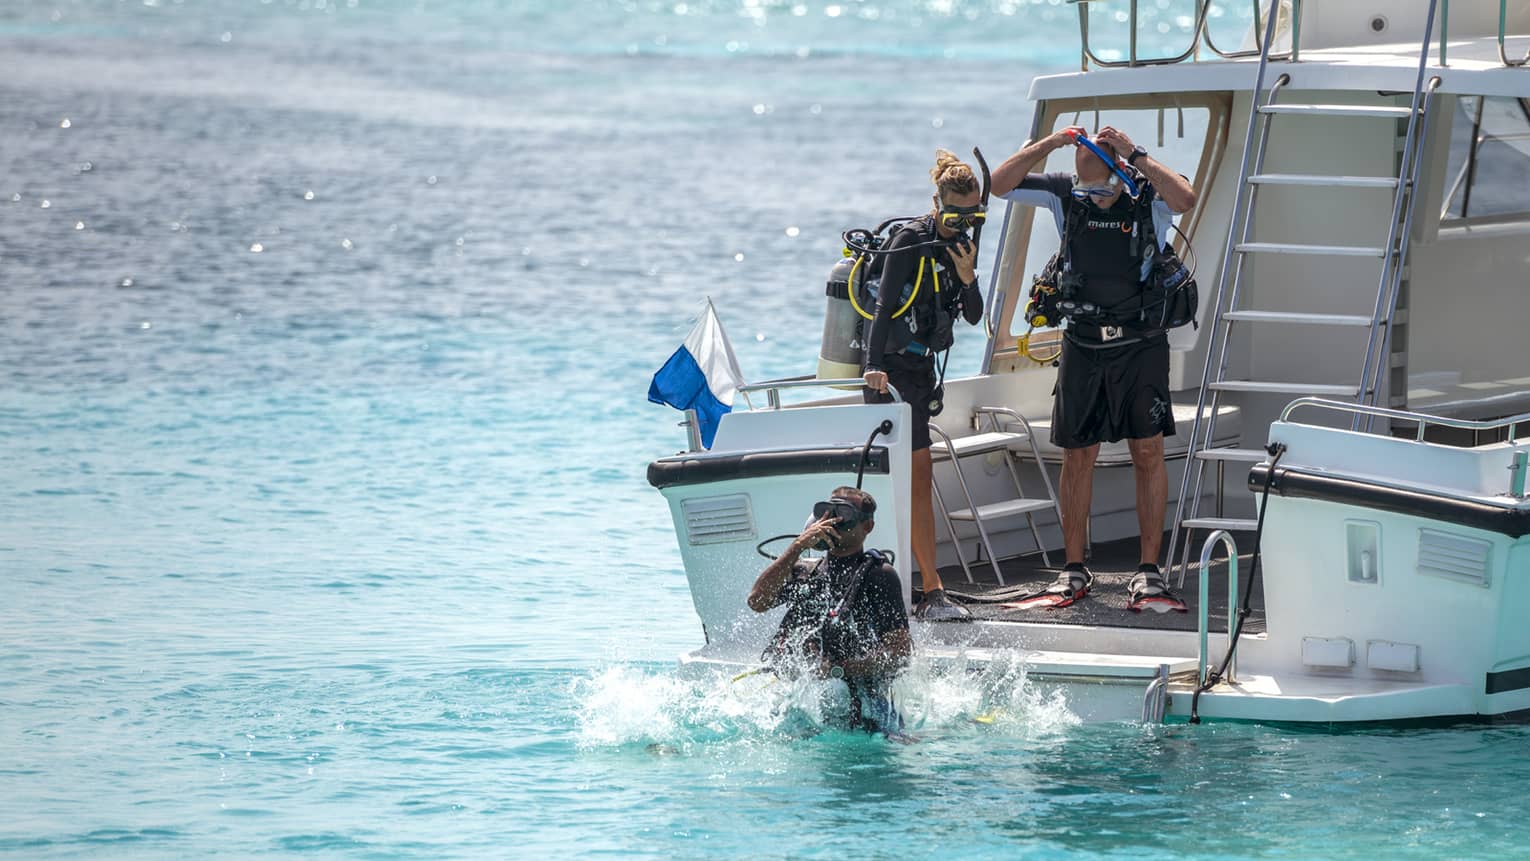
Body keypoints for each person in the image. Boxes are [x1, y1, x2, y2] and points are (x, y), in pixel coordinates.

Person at [990, 125, 1198, 613]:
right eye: (1083, 179)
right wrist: (1048, 145)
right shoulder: (1066, 194)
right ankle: (1073, 569)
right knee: (1077, 454)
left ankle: (1148, 572)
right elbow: (998, 185)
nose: (1091, 192)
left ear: (1118, 171)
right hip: (1082, 345)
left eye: (1099, 181)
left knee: (1147, 452)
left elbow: (1185, 197)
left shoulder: (1149, 196)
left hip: (1140, 346)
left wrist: (1136, 155)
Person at [861, 150, 986, 621]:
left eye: (972, 215)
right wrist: (873, 367)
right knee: (905, 480)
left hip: (921, 373)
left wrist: (968, 275)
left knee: (919, 477)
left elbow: (974, 315)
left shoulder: (961, 246)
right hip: (889, 375)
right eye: (955, 214)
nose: (963, 223)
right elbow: (882, 308)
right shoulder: (909, 241)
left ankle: (927, 588)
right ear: (937, 201)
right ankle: (920, 587)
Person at [747, 487, 911, 734]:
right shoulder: (804, 571)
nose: (832, 523)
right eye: (827, 513)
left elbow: (899, 651)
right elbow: (757, 601)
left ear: (867, 527)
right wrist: (798, 546)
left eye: (843, 516)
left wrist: (839, 669)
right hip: (806, 697)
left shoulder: (878, 576)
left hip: (863, 699)